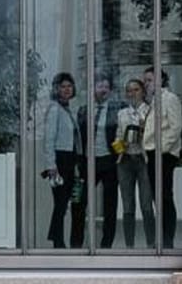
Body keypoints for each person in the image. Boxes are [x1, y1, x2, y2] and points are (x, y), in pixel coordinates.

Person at [37, 71, 85, 249]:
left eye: (69, 86)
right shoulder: (54, 109)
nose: (66, 89)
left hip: (71, 158)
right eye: (63, 86)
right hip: (60, 159)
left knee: (64, 202)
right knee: (61, 202)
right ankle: (58, 241)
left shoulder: (68, 109)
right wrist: (51, 165)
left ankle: (57, 239)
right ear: (56, 89)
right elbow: (48, 139)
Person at [143, 67, 182, 249]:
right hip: (153, 152)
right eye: (146, 80)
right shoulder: (153, 101)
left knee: (165, 196)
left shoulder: (170, 99)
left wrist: (162, 148)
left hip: (163, 153)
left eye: (150, 80)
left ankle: (168, 239)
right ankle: (162, 237)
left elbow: (176, 127)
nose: (147, 84)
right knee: (157, 196)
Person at [116, 77, 157, 249]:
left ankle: (151, 243)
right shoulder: (122, 113)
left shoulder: (150, 111)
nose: (132, 93)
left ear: (143, 92)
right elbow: (118, 134)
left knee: (146, 203)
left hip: (143, 160)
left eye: (136, 89)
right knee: (127, 203)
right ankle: (129, 245)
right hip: (125, 160)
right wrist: (120, 146)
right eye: (129, 90)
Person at [86, 75, 120, 249]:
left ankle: (106, 244)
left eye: (106, 86)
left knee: (110, 205)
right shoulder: (84, 110)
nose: (103, 89)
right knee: (80, 201)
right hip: (89, 162)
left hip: (109, 161)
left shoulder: (117, 110)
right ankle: (77, 243)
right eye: (100, 86)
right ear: (93, 89)